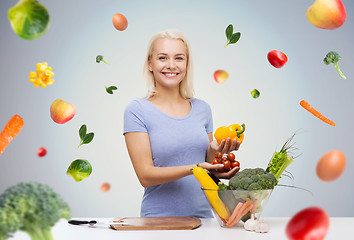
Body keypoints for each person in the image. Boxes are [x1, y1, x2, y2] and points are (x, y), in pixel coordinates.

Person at [123, 29, 240, 218]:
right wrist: (194, 168)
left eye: (179, 58)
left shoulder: (203, 109)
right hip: (159, 221)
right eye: (162, 58)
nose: (171, 65)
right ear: (150, 63)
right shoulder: (137, 110)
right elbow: (145, 176)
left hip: (205, 217)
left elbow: (207, 168)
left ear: (186, 64)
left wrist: (216, 153)